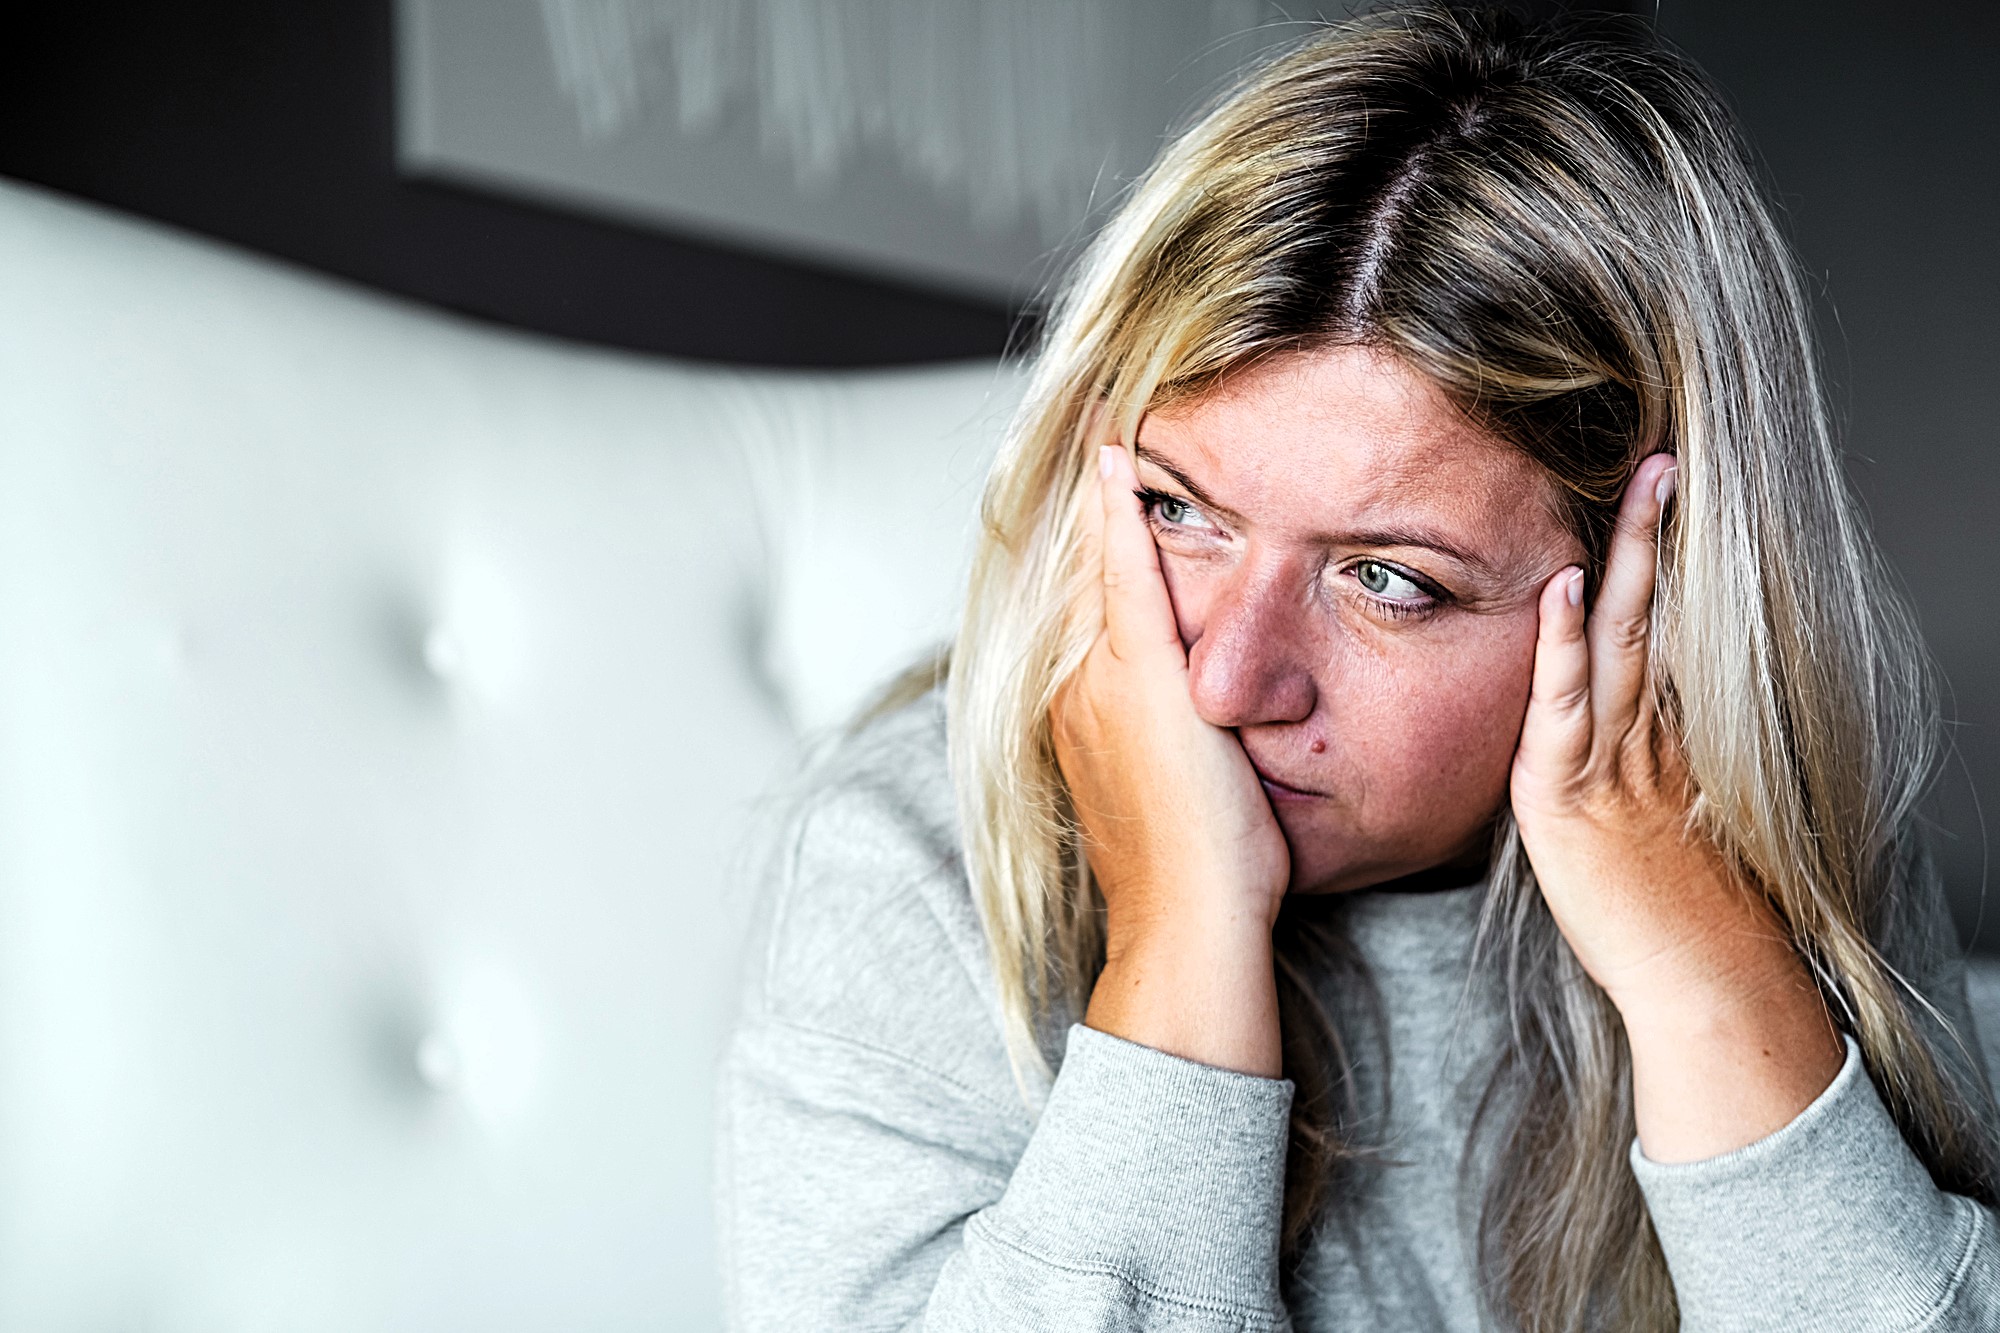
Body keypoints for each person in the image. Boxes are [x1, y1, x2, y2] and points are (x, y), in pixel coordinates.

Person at [716, 6, 2000, 1329]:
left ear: (1653, 596)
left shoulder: (1774, 854)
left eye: (1389, 577)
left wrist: (1705, 971)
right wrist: (1178, 937)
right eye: (1179, 510)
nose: (1225, 679)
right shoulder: (911, 863)